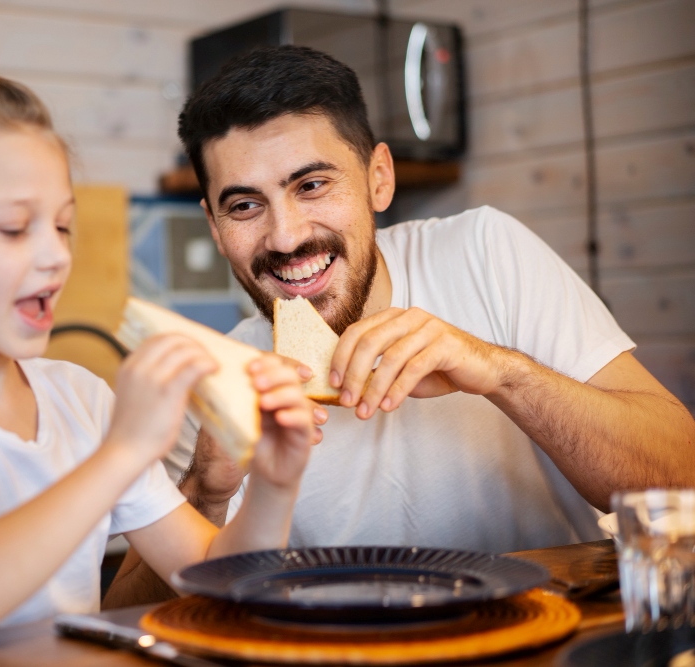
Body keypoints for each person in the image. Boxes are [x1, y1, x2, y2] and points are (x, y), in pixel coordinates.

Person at [102, 46, 695, 607]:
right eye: (244, 206)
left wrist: (502, 373)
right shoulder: (218, 377)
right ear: (213, 223)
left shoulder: (486, 251)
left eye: (312, 185)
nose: (284, 237)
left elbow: (683, 473)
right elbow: (124, 615)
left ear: (377, 179)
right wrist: (206, 489)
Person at [0, 72, 317, 657]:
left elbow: (216, 579)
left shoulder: (81, 398)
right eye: (14, 228)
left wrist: (275, 485)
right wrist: (121, 453)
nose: (55, 255)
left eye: (63, 225)